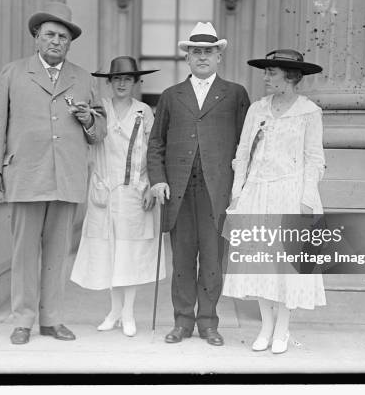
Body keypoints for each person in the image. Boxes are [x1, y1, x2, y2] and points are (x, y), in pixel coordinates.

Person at [0, 2, 106, 345]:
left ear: (69, 43)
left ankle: (51, 320)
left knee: (57, 253)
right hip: (25, 175)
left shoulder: (82, 78)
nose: (56, 41)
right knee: (23, 252)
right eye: (49, 34)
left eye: (63, 37)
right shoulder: (13, 72)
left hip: (66, 177)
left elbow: (100, 130)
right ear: (36, 38)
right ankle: (23, 320)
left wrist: (89, 120)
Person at [148, 22, 250, 346]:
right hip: (179, 190)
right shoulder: (170, 96)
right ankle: (182, 322)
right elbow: (155, 145)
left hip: (217, 191)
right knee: (181, 258)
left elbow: (247, 146)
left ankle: (208, 323)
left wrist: (242, 188)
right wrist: (158, 180)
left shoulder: (235, 94)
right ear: (187, 58)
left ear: (219, 56)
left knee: (212, 259)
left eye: (208, 51)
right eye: (196, 51)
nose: (202, 57)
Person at [222, 49, 327, 354]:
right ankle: (265, 326)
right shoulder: (257, 109)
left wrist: (306, 200)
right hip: (256, 193)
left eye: (272, 73)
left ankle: (282, 328)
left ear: (291, 77)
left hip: (290, 193)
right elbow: (242, 154)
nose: (266, 78)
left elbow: (314, 159)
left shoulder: (309, 112)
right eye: (266, 72)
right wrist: (238, 194)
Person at [70, 56, 165, 337]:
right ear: (109, 83)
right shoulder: (100, 109)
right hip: (104, 189)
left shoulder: (144, 111)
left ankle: (128, 313)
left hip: (135, 190)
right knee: (109, 252)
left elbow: (153, 150)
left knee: (130, 253)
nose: (122, 84)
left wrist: (150, 184)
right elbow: (91, 138)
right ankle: (113, 311)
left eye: (128, 79)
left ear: (137, 83)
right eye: (117, 79)